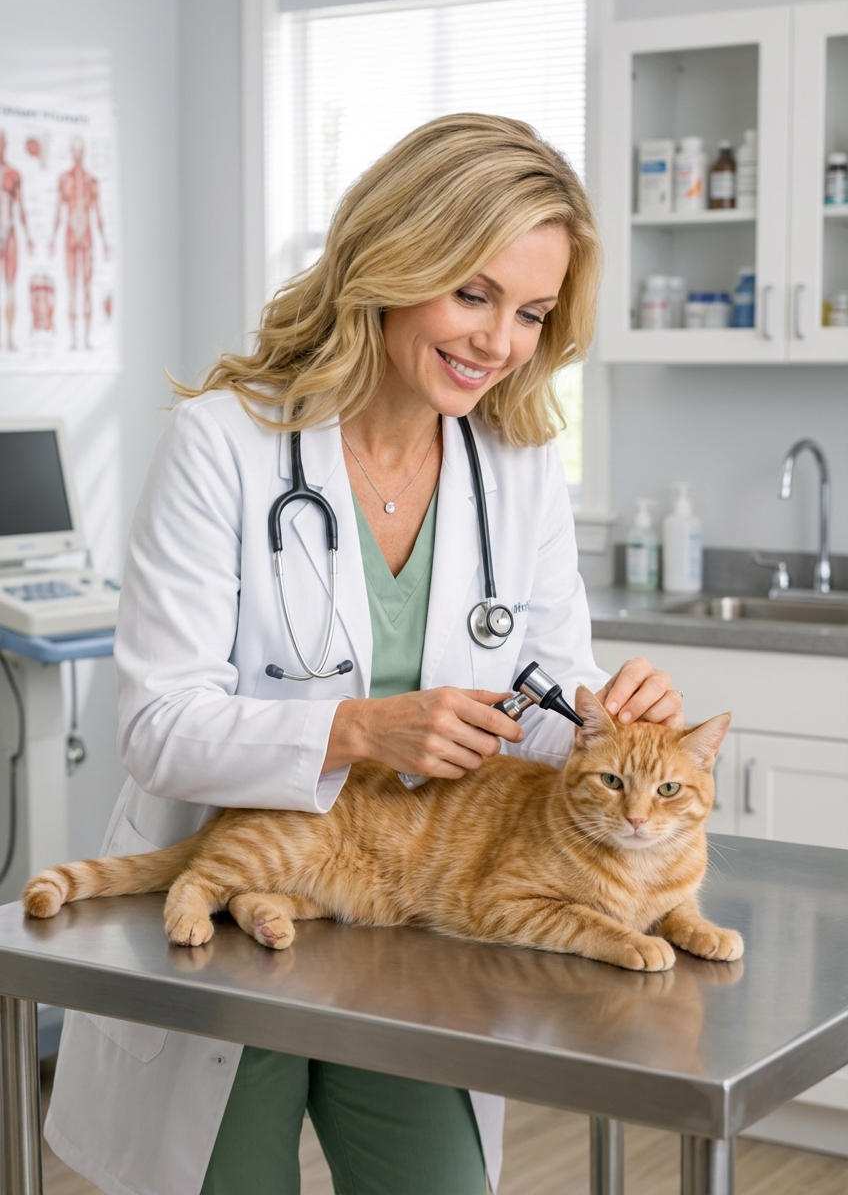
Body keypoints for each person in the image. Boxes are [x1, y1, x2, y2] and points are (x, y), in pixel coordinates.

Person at [45, 114, 684, 1195]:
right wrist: (355, 728)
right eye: (472, 294)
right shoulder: (226, 443)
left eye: (530, 313)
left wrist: (602, 717)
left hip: (408, 926)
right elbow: (156, 728)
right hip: (244, 912)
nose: (498, 342)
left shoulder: (515, 465)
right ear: (395, 262)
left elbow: (540, 706)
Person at [50, 136, 110, 349]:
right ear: (71, 153)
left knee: (85, 287)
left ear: (83, 153)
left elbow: (99, 214)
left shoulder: (91, 181)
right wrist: (51, 239)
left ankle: (85, 339)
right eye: (74, 151)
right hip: (69, 235)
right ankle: (74, 340)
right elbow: (59, 210)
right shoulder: (64, 180)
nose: (77, 155)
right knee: (72, 287)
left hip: (86, 237)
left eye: (80, 151)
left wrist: (104, 243)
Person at [0, 130, 34, 350]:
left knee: (10, 287)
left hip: (9, 234)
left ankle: (9, 338)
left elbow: (21, 208)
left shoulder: (13, 174)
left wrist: (29, 236)